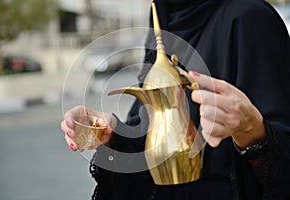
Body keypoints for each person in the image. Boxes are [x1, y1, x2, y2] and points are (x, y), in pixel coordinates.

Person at [60, 0, 290, 199]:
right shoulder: (161, 16)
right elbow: (153, 132)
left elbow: (282, 166)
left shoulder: (249, 16)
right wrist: (113, 133)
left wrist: (251, 130)